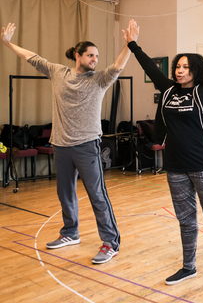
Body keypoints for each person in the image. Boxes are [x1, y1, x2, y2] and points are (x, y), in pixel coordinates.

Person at [124, 17, 203, 294]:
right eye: (177, 67)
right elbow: (148, 65)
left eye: (185, 67)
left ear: (196, 70)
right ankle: (189, 265)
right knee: (185, 220)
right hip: (175, 165)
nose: (180, 71)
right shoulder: (168, 90)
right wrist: (133, 44)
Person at [1, 21, 135, 264]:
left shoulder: (100, 80)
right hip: (60, 145)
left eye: (96, 56)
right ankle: (70, 233)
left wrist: (129, 44)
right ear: (78, 56)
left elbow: (117, 66)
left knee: (97, 195)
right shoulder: (58, 73)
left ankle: (110, 242)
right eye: (90, 55)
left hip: (87, 146)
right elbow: (33, 57)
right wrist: (8, 43)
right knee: (65, 193)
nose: (95, 59)